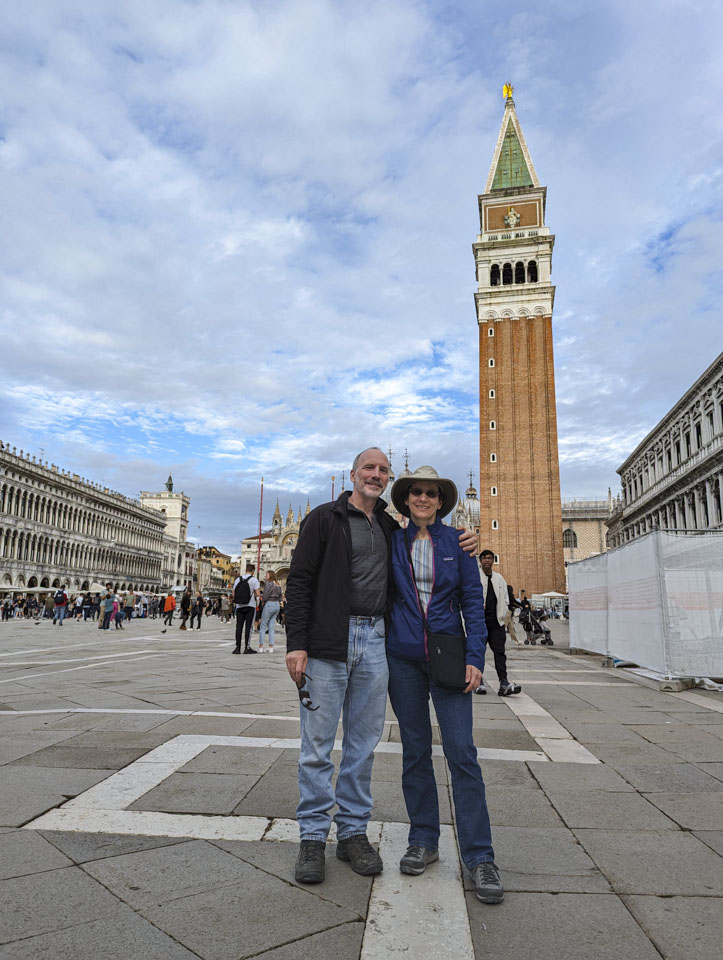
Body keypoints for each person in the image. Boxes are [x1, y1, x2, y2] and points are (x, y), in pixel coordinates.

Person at [285, 447, 478, 886]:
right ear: (352, 474)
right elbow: (299, 582)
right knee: (316, 746)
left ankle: (352, 833)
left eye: (382, 470)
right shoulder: (322, 519)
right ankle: (313, 838)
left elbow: (439, 548)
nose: (375, 474)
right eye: (368, 468)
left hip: (376, 640)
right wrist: (296, 644)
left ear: (389, 480)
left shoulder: (392, 527)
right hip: (327, 642)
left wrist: (470, 541)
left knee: (362, 744)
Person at [386, 465, 504, 904]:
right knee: (415, 751)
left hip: (450, 657)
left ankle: (479, 856)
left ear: (441, 501)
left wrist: (477, 657)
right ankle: (424, 840)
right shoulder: (390, 540)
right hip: (402, 660)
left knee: (462, 753)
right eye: (415, 492)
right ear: (405, 500)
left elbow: (474, 603)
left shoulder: (459, 543)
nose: (422, 498)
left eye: (430, 493)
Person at [474, 551, 521, 697]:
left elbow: (506, 599)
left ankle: (504, 682)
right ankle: (478, 682)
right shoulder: (475, 576)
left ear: (493, 561)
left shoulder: (499, 578)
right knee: (478, 652)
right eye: (484, 558)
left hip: (497, 622)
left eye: (490, 558)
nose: (487, 561)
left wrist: (504, 613)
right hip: (479, 622)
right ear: (480, 561)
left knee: (500, 653)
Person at [232, 565, 260, 654]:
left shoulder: (238, 579)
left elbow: (233, 593)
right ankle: (247, 648)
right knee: (249, 627)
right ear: (253, 571)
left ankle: (237, 648)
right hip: (250, 606)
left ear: (246, 570)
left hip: (239, 606)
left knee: (239, 627)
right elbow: (258, 593)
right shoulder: (254, 580)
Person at [258, 571, 283, 652]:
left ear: (271, 575)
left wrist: (263, 602)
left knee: (263, 626)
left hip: (269, 604)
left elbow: (265, 595)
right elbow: (280, 597)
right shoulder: (278, 585)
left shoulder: (269, 584)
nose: (265, 576)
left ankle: (261, 647)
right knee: (271, 627)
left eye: (267, 574)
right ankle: (271, 647)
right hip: (276, 606)